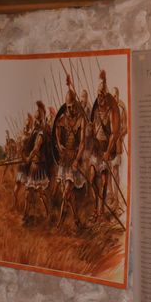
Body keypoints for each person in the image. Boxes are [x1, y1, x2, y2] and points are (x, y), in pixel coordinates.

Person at [89, 70, 120, 220]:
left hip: (105, 149)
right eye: (98, 94)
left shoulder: (111, 111)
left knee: (104, 181)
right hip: (96, 149)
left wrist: (108, 151)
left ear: (105, 95)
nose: (99, 97)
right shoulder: (95, 111)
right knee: (91, 178)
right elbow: (92, 130)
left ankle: (100, 210)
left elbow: (114, 133)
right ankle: (96, 207)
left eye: (102, 94)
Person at [54, 88, 87, 229]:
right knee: (70, 193)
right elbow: (56, 135)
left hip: (75, 160)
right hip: (65, 160)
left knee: (66, 191)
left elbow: (82, 143)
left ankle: (60, 224)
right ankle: (76, 219)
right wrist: (59, 144)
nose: (71, 109)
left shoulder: (81, 119)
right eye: (69, 107)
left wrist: (76, 160)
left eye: (73, 106)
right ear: (66, 105)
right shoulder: (61, 120)